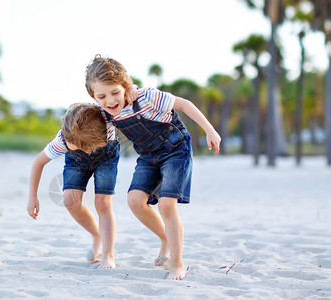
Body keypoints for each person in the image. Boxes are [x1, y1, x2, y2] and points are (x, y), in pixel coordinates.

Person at [85, 55, 221, 280]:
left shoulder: (147, 97)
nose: (110, 101)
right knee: (134, 201)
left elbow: (184, 104)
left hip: (176, 150)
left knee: (167, 205)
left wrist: (210, 130)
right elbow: (86, 125)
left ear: (125, 85)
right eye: (101, 96)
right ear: (93, 96)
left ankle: (177, 264)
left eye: (115, 92)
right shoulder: (104, 114)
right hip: (149, 156)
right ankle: (166, 238)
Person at [27, 101, 134, 269]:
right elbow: (38, 163)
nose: (82, 149)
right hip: (76, 163)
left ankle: (108, 254)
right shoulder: (63, 140)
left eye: (84, 147)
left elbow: (126, 101)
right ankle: (97, 236)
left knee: (103, 203)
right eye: (76, 146)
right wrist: (32, 197)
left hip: (107, 156)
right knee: (70, 201)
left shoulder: (107, 118)